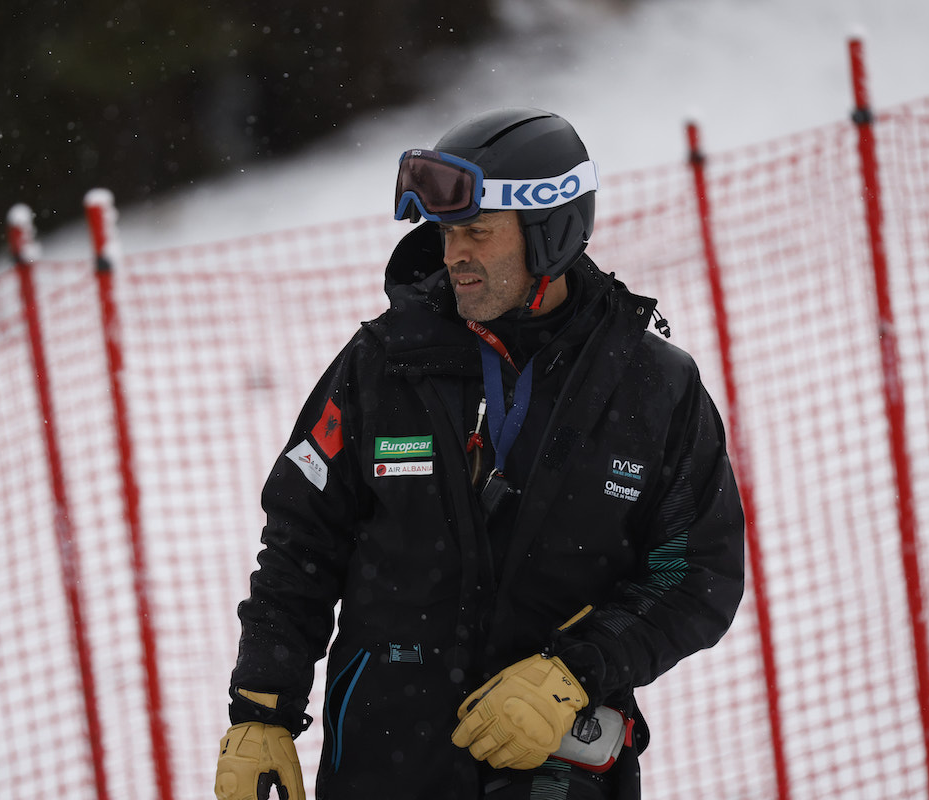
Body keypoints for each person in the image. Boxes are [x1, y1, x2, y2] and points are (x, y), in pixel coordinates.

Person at [215, 107, 745, 800]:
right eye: (446, 233)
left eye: (477, 231)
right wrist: (261, 712)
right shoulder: (383, 363)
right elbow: (301, 543)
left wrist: (572, 673)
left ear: (550, 230)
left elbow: (695, 573)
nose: (453, 254)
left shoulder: (651, 387)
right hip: (383, 765)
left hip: (552, 772)